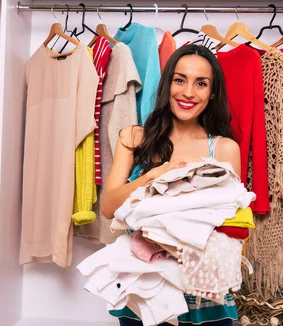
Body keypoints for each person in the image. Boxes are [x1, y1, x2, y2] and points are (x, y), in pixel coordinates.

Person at [100, 44, 241, 326]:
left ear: (212, 93)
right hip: (142, 285)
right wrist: (155, 175)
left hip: (201, 293)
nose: (188, 92)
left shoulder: (224, 149)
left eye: (201, 83)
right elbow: (108, 207)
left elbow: (233, 229)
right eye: (180, 80)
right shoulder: (134, 137)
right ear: (168, 84)